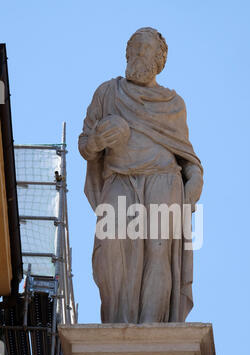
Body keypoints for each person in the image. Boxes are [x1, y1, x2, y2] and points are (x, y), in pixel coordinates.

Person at [78, 27, 203, 324]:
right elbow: (85, 144)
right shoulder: (108, 93)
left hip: (164, 179)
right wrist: (98, 140)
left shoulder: (173, 104)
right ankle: (118, 324)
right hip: (119, 179)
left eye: (143, 49)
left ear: (159, 59)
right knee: (111, 252)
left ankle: (151, 327)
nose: (135, 54)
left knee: (159, 251)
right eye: (132, 48)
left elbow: (188, 158)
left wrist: (196, 178)